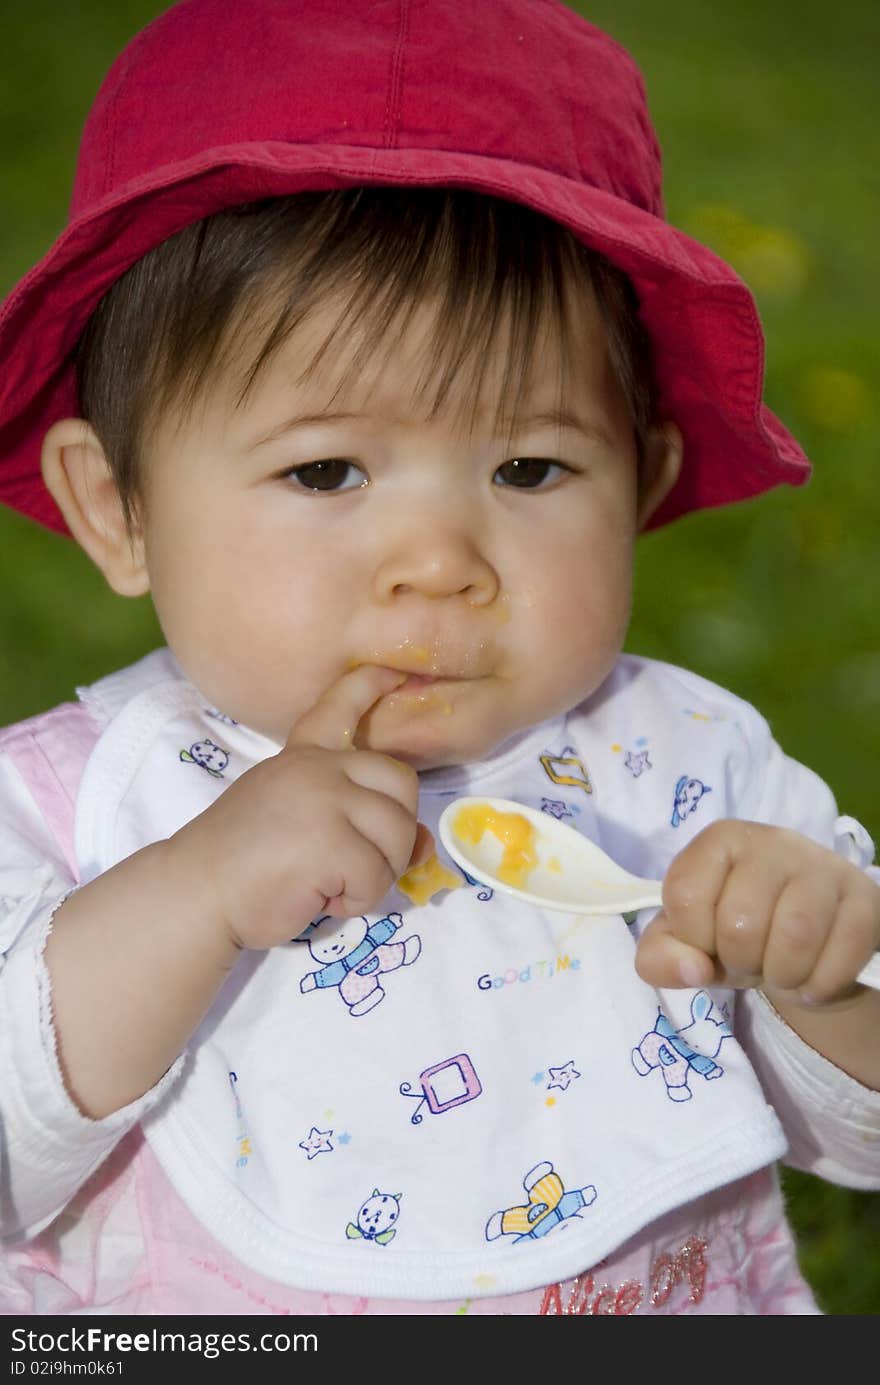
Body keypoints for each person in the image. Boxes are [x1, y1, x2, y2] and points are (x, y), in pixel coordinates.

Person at [0, 0, 877, 1318]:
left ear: (643, 479)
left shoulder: (693, 775)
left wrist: (819, 971)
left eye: (529, 466)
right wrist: (192, 891)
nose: (439, 561)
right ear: (118, 506)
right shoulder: (69, 807)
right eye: (326, 469)